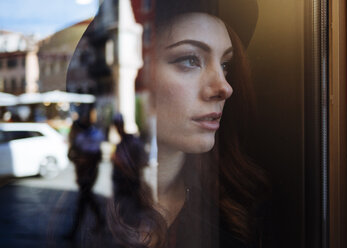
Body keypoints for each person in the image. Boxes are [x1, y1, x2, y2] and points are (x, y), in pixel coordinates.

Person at [106, 0, 270, 248]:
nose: (224, 87)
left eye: (225, 65)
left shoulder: (236, 212)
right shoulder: (80, 213)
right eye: (190, 60)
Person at [67, 106, 105, 239]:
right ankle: (100, 220)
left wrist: (85, 160)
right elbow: (71, 154)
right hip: (84, 172)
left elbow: (97, 156)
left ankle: (74, 231)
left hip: (88, 172)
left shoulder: (94, 135)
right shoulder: (82, 136)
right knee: (86, 198)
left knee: (83, 200)